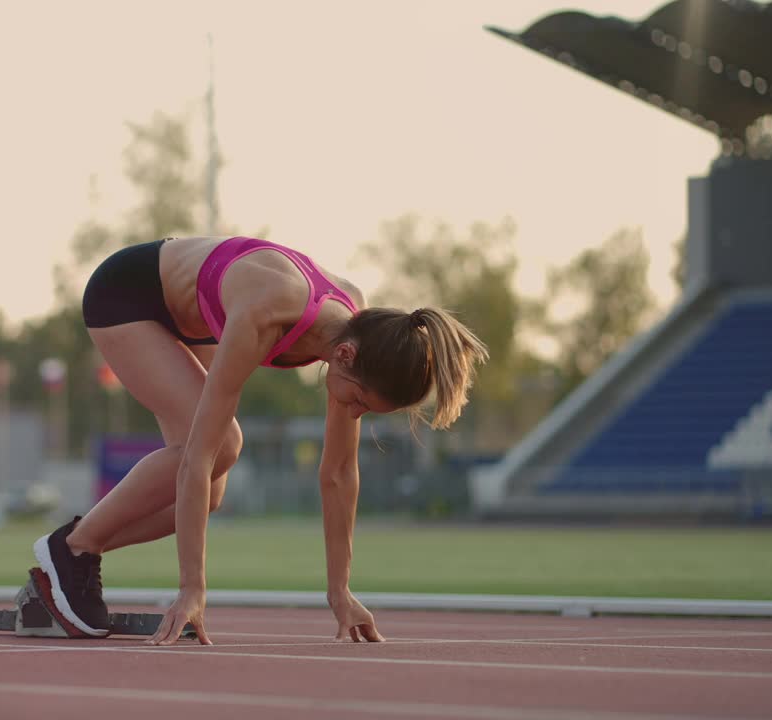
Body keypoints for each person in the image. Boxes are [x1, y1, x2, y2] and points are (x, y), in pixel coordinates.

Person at [33, 236, 488, 645]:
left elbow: (339, 473)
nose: (355, 414)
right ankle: (72, 548)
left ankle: (75, 548)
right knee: (222, 445)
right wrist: (193, 588)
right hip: (127, 296)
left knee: (209, 495)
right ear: (344, 356)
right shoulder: (267, 310)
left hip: (189, 317)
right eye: (360, 403)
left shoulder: (356, 332)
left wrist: (340, 592)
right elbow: (197, 455)